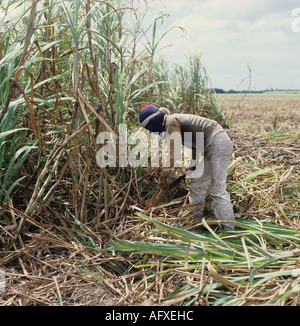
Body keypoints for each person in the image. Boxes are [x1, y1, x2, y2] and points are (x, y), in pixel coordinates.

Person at [139, 104, 235, 231]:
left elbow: (175, 153)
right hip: (213, 146)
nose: (151, 132)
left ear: (153, 123)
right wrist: (192, 164)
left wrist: (163, 176)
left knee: (217, 190)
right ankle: (196, 225)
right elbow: (195, 142)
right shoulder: (171, 122)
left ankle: (229, 231)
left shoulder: (171, 122)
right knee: (196, 185)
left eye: (149, 128)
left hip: (218, 144)